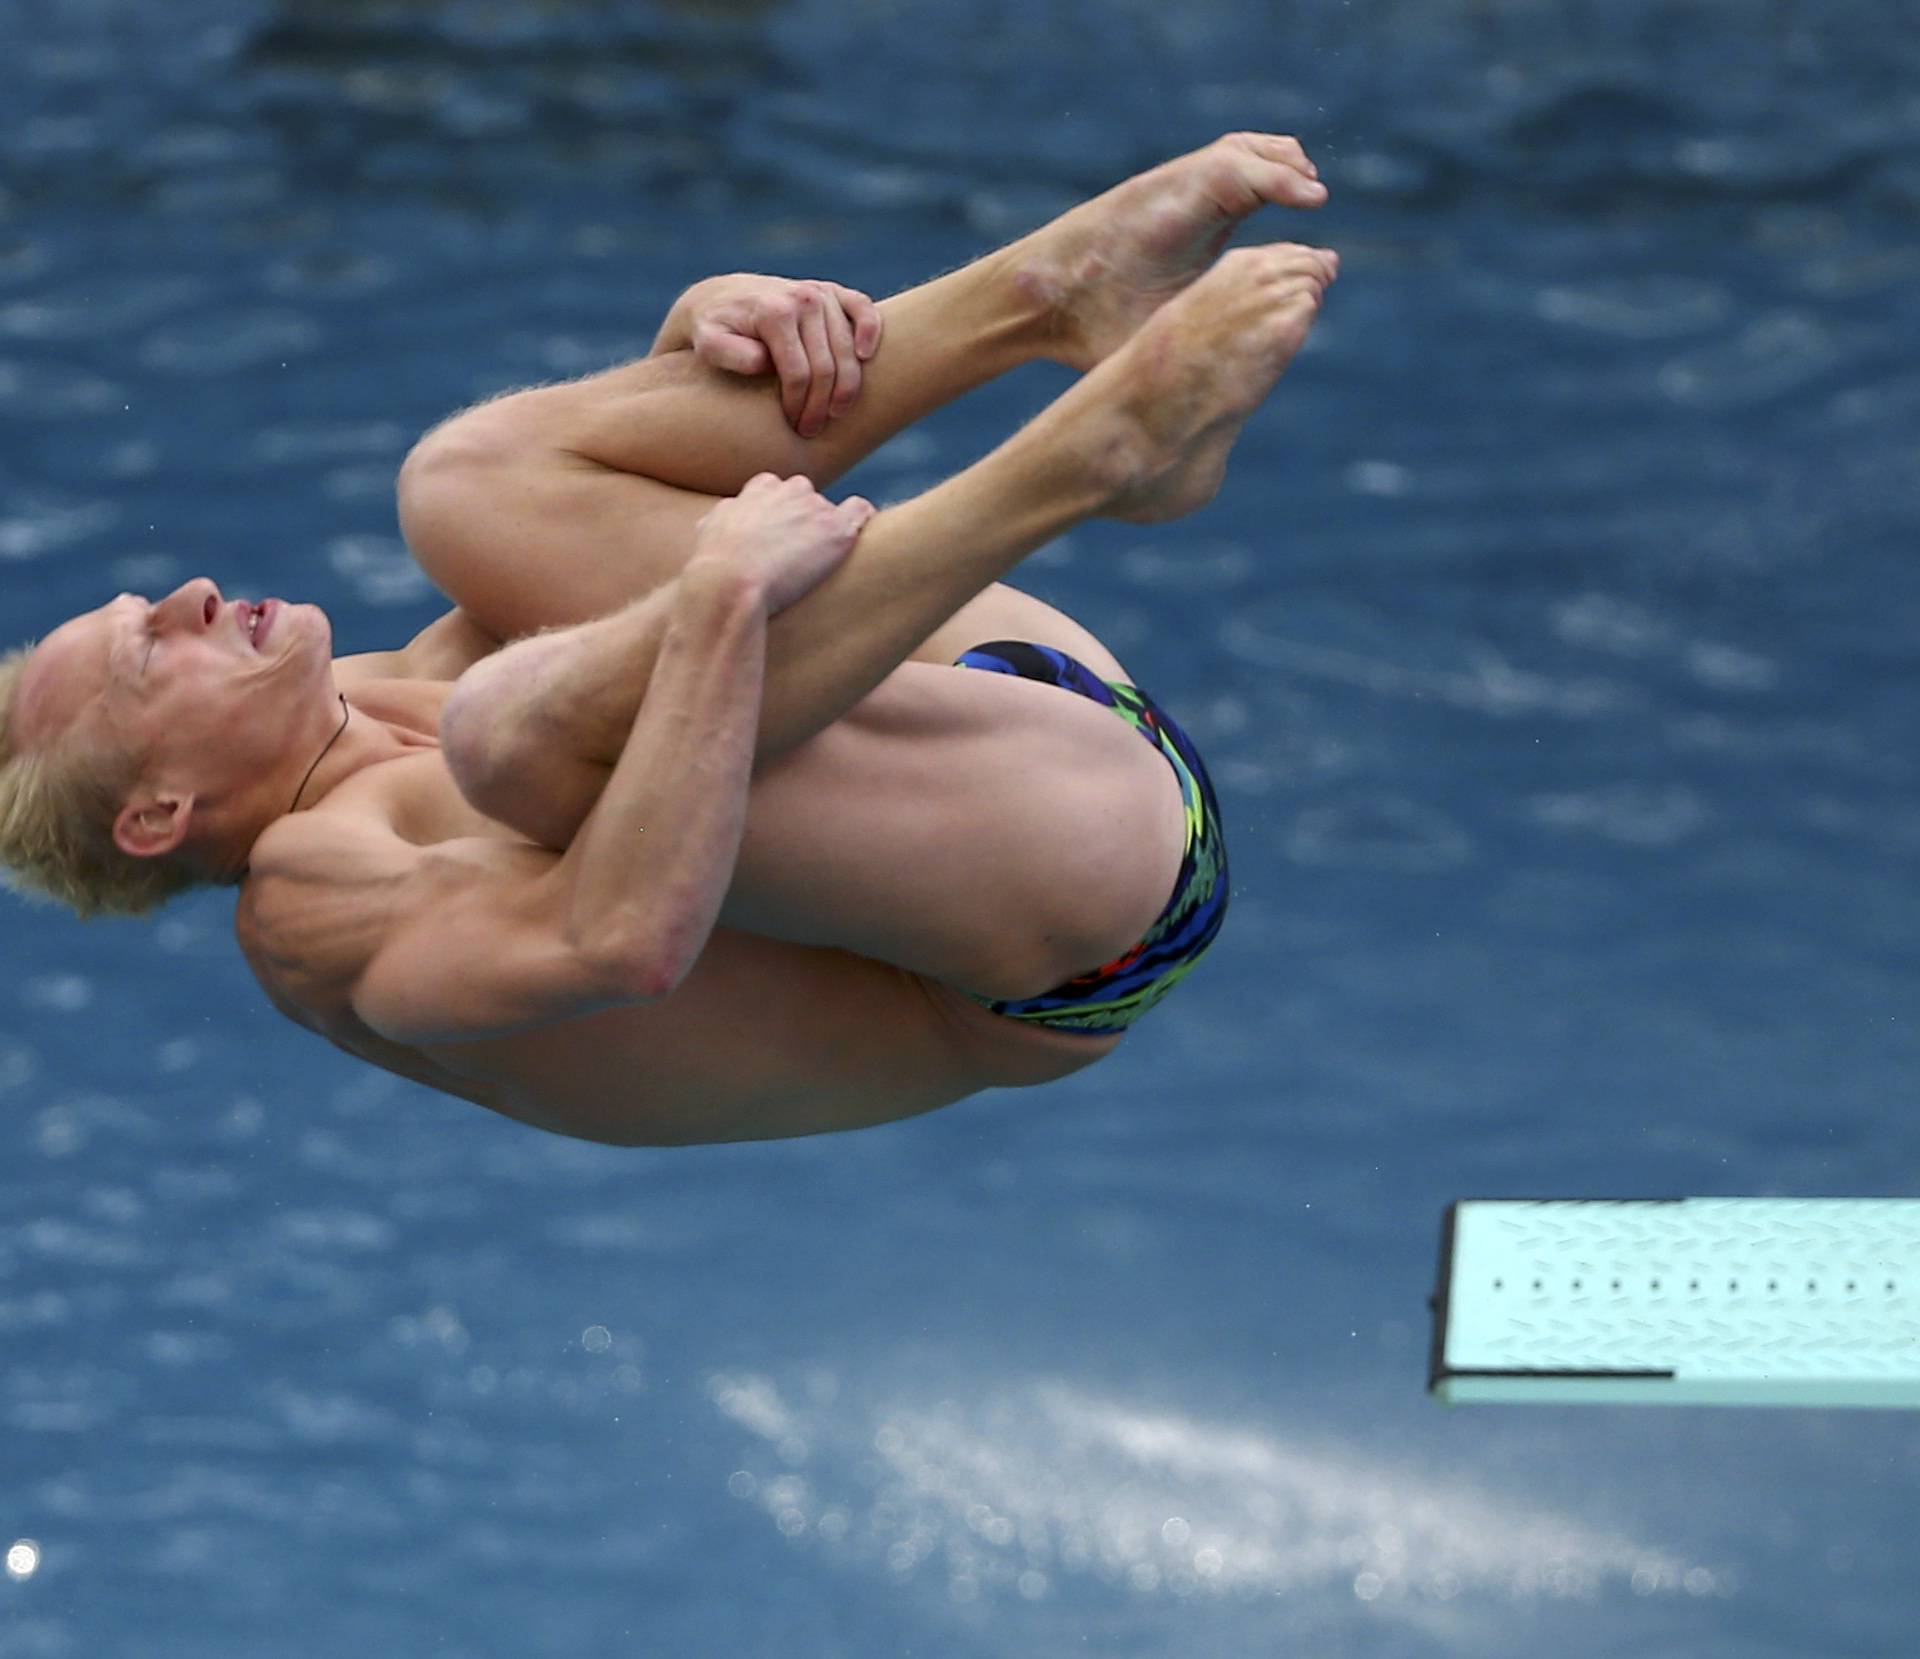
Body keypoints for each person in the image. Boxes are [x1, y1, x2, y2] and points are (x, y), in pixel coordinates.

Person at [0, 134, 1338, 1147]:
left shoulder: (363, 694)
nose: (184, 593)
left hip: (1011, 702)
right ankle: (1094, 455)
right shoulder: (311, 912)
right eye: (148, 652)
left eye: (145, 605)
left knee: (461, 483)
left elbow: (614, 555)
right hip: (1079, 913)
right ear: (157, 814)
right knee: (509, 737)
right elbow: (619, 940)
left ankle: (1050, 300)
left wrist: (709, 340)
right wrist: (711, 608)